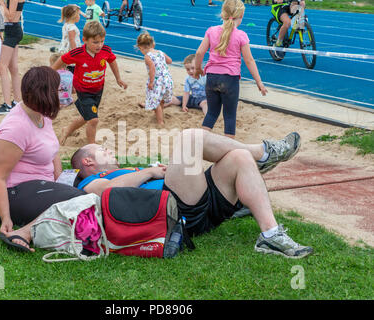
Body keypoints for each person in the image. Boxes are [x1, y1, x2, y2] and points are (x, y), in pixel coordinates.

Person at [68, 129, 313, 259]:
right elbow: (105, 192)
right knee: (189, 137)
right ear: (88, 161)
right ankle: (264, 153)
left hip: (195, 205)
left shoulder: (123, 169)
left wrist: (160, 171)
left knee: (239, 157)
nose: (108, 149)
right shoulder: (91, 180)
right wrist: (150, 172)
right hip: (174, 210)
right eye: (102, 149)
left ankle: (270, 234)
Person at [0, 66, 86, 250]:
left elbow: (52, 151)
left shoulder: (41, 115)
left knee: (91, 186)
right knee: (81, 200)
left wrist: (60, 181)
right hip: (11, 192)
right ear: (45, 94)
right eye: (58, 89)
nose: (62, 93)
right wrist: (6, 217)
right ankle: (24, 232)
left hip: (39, 183)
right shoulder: (16, 127)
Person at [194, 0, 267, 139]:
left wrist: (198, 68)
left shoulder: (211, 31)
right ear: (242, 14)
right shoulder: (241, 35)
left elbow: (199, 53)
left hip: (211, 77)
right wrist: (259, 82)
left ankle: (201, 143)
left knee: (211, 113)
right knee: (229, 116)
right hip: (230, 79)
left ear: (223, 13)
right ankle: (228, 150)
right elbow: (249, 60)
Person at [51, 21, 128, 145]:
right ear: (85, 40)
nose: (99, 45)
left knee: (87, 117)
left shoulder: (106, 50)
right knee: (93, 120)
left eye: (102, 41)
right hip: (83, 90)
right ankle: (92, 147)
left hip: (98, 89)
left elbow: (112, 61)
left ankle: (67, 130)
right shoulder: (78, 53)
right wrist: (50, 72)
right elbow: (62, 59)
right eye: (95, 42)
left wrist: (118, 78)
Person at [0, 0, 25, 115]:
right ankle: (17, 101)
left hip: (12, 30)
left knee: (1, 67)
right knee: (13, 68)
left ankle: (7, 105)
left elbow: (10, 16)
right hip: (11, 30)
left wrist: (2, 3)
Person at [136, 32, 173, 126]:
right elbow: (170, 61)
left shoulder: (147, 56)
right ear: (153, 44)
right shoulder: (160, 52)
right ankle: (158, 113)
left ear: (141, 47)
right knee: (161, 99)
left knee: (156, 102)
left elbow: (152, 68)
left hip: (157, 81)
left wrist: (151, 82)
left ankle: (160, 122)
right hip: (167, 79)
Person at [57, 4, 81, 74]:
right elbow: (72, 40)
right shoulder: (72, 28)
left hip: (64, 47)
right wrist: (75, 52)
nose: (79, 16)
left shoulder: (66, 24)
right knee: (71, 66)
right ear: (74, 16)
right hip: (70, 49)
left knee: (65, 64)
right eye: (78, 14)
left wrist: (75, 7)